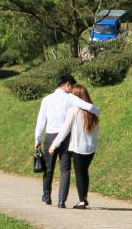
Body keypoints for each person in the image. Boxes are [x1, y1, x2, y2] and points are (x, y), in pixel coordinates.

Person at [34, 74, 99, 208]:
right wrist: (96, 111)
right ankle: (61, 201)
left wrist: (37, 139)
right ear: (67, 84)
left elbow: (41, 121)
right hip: (66, 137)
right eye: (72, 86)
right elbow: (88, 106)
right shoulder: (70, 98)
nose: (72, 89)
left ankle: (46, 195)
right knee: (65, 169)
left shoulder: (46, 99)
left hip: (51, 135)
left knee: (49, 168)